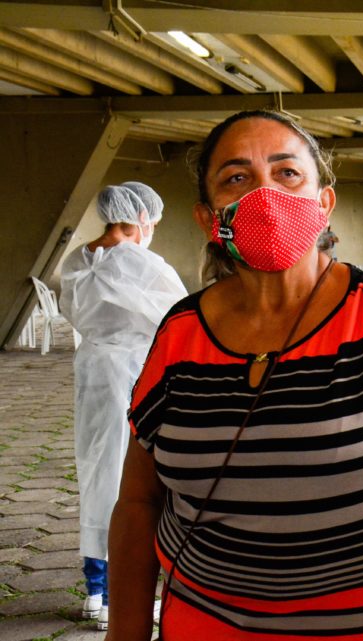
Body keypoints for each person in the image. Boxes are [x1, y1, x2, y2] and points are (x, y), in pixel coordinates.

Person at [106, 110, 363, 641]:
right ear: (209, 219)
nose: (264, 195)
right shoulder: (181, 331)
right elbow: (138, 501)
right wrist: (124, 633)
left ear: (324, 204)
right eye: (237, 178)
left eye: (287, 173)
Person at [59, 182, 187, 631]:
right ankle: (119, 598)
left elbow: (71, 310)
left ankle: (95, 591)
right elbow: (178, 316)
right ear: (144, 219)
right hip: (135, 373)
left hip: (91, 371)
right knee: (130, 483)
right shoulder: (145, 264)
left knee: (94, 472)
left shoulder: (76, 261)